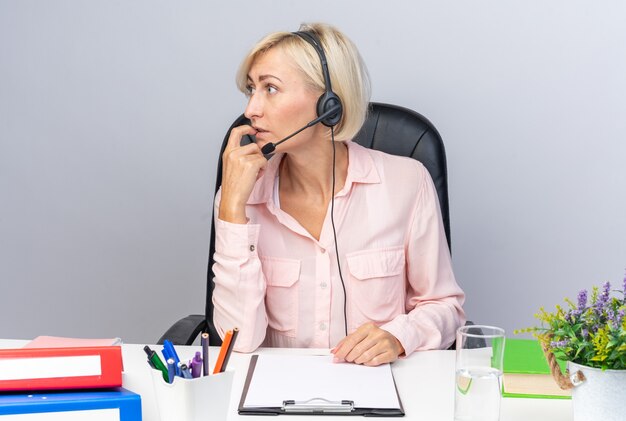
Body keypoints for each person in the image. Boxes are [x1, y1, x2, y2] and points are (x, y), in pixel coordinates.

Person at [212, 23, 465, 366]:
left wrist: (399, 336)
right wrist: (231, 209)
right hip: (275, 396)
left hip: (378, 391)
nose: (252, 109)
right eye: (251, 90)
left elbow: (445, 307)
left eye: (270, 88)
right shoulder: (240, 200)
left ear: (328, 104)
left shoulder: (407, 183)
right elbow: (237, 341)